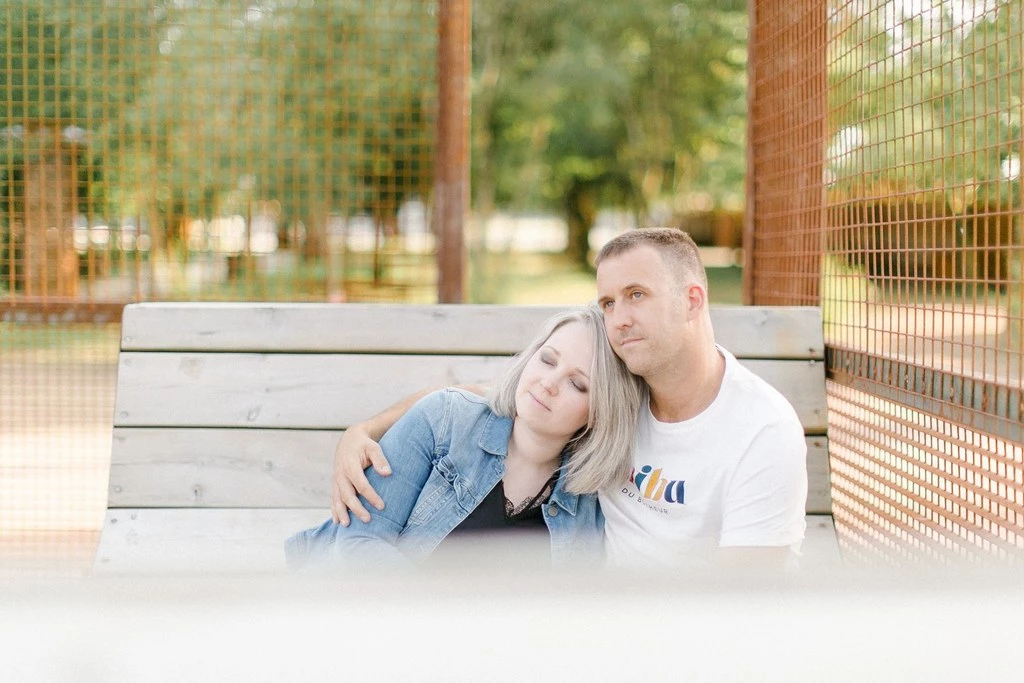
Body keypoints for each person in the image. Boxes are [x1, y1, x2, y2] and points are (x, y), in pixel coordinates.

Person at [332, 228, 808, 570]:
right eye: (607, 302)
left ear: (693, 300)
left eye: (637, 294)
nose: (618, 319)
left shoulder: (761, 429)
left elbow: (749, 603)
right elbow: (491, 398)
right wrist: (364, 430)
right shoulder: (627, 386)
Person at [285, 304, 645, 570]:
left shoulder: (588, 504)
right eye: (547, 361)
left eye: (577, 384)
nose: (548, 384)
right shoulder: (445, 421)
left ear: (600, 413)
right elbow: (360, 544)